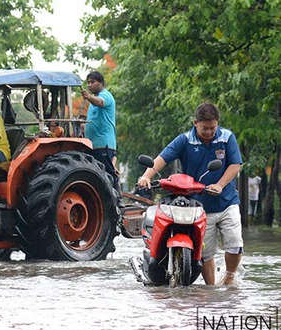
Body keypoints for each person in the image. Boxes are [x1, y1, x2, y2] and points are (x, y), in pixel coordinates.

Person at [137, 102, 243, 286]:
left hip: (227, 202)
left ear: (218, 123)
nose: (209, 132)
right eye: (205, 128)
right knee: (206, 252)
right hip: (198, 206)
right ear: (195, 123)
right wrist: (146, 176)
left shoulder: (227, 138)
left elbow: (235, 165)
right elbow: (162, 158)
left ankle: (230, 277)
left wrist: (219, 185)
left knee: (234, 243)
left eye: (213, 128)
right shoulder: (184, 140)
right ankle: (211, 289)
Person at [80, 71, 120, 192]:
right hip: (94, 145)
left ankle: (118, 199)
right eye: (88, 83)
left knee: (108, 174)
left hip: (104, 143)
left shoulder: (105, 95)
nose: (90, 85)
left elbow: (101, 102)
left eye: (92, 82)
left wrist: (88, 97)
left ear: (101, 83)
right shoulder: (92, 102)